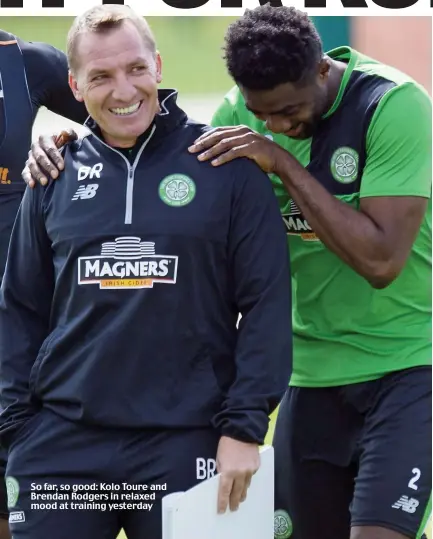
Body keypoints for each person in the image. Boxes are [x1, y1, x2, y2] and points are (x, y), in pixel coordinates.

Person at [26, 5, 432, 539]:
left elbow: (381, 261)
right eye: (262, 115)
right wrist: (74, 150)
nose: (275, 127)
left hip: (406, 365)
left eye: (288, 113)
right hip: (309, 375)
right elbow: (158, 170)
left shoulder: (394, 106)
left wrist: (282, 162)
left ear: (320, 71)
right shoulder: (238, 115)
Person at [0, 5, 292, 539]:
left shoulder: (225, 168)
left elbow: (267, 303)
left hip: (188, 443)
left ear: (158, 65)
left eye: (136, 68)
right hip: (64, 446)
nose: (123, 90)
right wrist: (16, 428)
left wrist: (244, 429)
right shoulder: (54, 174)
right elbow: (19, 307)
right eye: (101, 76)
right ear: (74, 84)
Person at [0, 28, 87, 538]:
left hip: (20, 312)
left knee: (21, 495)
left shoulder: (23, 61)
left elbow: (122, 126)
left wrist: (71, 153)